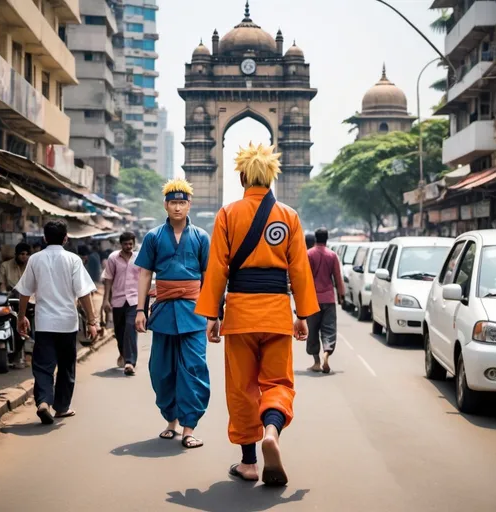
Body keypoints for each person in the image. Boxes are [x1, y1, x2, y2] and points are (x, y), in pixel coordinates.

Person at [195, 143, 319, 486]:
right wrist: (303, 315)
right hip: (278, 313)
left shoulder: (227, 215)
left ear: (241, 177)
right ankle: (272, 432)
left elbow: (217, 268)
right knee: (278, 382)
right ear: (271, 177)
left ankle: (249, 463)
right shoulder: (289, 216)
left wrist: (212, 315)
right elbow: (300, 270)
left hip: (240, 314)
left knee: (242, 387)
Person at [135, 178, 211, 449]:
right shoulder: (153, 237)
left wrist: (215, 315)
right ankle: (171, 421)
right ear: (165, 205)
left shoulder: (202, 237)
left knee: (193, 369)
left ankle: (189, 428)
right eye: (173, 202)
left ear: (189, 205)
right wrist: (140, 309)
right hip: (164, 310)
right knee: (161, 369)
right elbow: (145, 274)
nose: (178, 207)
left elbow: (208, 276)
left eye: (182, 202)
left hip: (194, 311)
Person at [15, 220, 97, 425]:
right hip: (68, 323)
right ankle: (61, 408)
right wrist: (92, 321)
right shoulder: (73, 260)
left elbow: (24, 292)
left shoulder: (35, 259)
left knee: (43, 366)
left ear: (44, 238)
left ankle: (43, 401)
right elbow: (84, 293)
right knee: (67, 366)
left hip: (44, 323)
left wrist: (21, 316)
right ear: (65, 238)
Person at [306, 228, 345, 374]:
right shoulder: (332, 255)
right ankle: (326, 354)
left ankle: (316, 362)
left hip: (312, 299)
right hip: (328, 298)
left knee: (313, 330)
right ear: (327, 239)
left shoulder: (308, 254)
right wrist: (341, 295)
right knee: (329, 328)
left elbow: (305, 277)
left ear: (315, 238)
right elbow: (337, 277)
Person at [102, 232, 141, 376]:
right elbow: (108, 279)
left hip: (134, 299)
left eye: (131, 244)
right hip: (118, 300)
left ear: (134, 243)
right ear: (121, 244)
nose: (128, 246)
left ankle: (130, 362)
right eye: (125, 244)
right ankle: (124, 354)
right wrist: (105, 299)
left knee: (131, 328)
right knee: (119, 332)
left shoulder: (139, 258)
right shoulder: (113, 258)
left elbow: (144, 278)